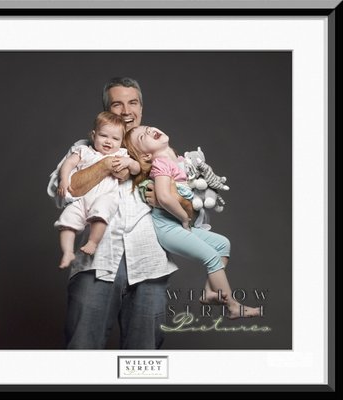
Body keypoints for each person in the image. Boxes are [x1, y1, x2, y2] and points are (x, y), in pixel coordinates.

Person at [60, 77, 193, 349]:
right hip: (96, 264)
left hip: (150, 266)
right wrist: (106, 164)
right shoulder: (87, 147)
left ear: (141, 108)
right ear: (107, 109)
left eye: (132, 103)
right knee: (82, 351)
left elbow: (193, 211)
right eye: (117, 104)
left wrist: (167, 198)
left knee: (143, 358)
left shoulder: (159, 150)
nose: (126, 110)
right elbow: (65, 191)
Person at [123, 125, 261, 318]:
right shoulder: (161, 164)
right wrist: (184, 218)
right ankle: (232, 306)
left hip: (177, 224)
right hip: (168, 228)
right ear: (146, 156)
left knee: (223, 244)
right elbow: (164, 197)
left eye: (147, 128)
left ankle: (209, 292)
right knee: (211, 257)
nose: (148, 131)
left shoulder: (180, 161)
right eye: (141, 137)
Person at [54, 111, 140, 268]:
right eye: (103, 135)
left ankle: (93, 242)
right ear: (94, 135)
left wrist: (129, 162)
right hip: (82, 199)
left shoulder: (121, 154)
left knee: (101, 213)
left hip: (105, 197)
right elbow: (68, 164)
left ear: (121, 142)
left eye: (115, 139)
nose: (108, 141)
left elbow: (136, 169)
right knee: (67, 219)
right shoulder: (84, 150)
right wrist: (64, 180)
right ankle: (67, 252)